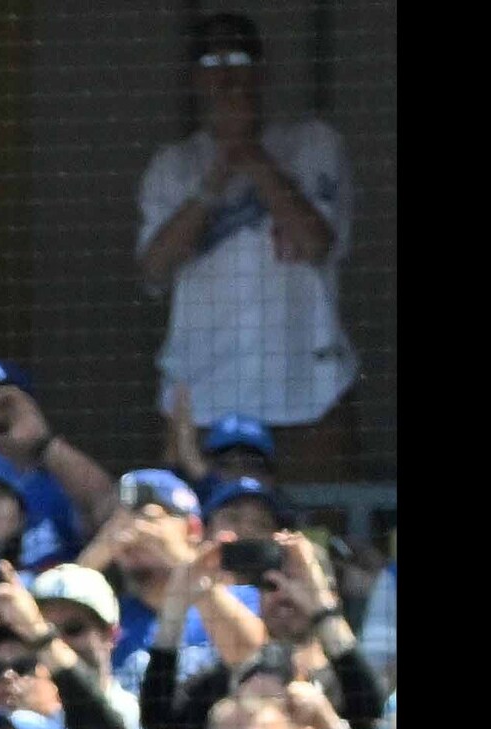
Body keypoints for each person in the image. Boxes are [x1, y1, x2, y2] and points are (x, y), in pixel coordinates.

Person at [132, 15, 353, 460]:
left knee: (320, 528)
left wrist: (250, 152)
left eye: (238, 57)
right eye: (212, 59)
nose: (226, 72)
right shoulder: (173, 165)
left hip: (308, 389)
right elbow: (153, 268)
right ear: (195, 77)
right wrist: (217, 172)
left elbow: (317, 243)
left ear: (262, 69)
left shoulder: (314, 144)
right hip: (203, 392)